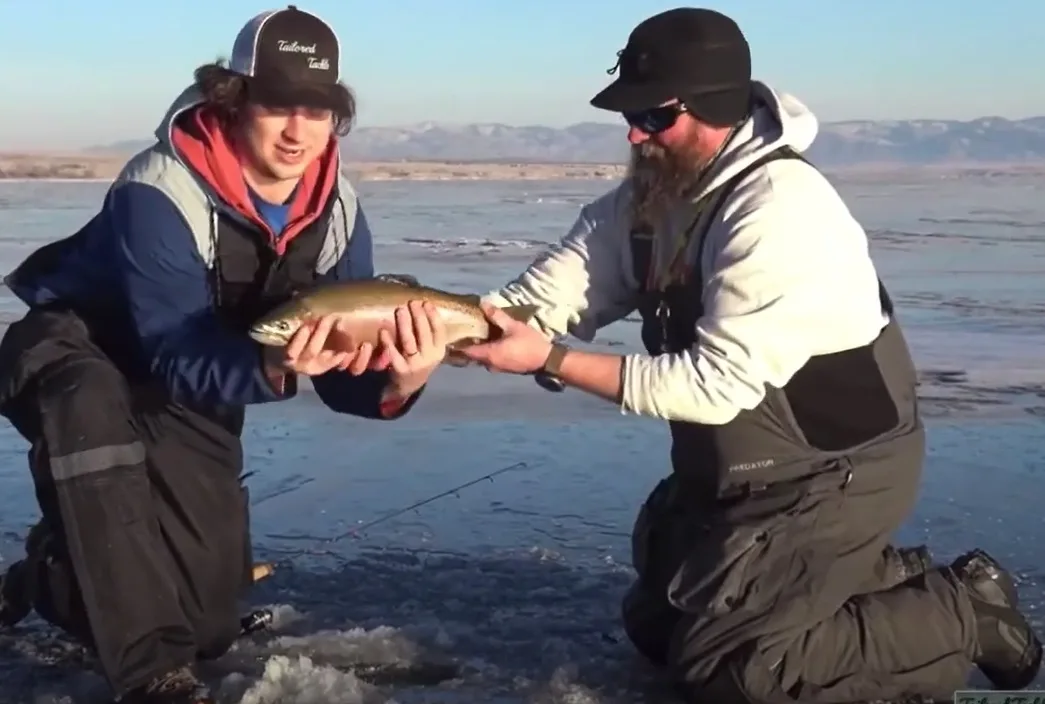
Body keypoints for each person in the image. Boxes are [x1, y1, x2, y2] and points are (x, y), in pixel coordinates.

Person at [459, 7, 1042, 703]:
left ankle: (960, 614)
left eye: (653, 116)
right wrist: (429, 335)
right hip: (732, 471)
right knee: (657, 630)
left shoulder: (779, 210)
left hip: (834, 471)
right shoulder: (640, 205)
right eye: (630, 114)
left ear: (712, 107)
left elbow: (713, 388)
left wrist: (548, 360)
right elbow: (533, 301)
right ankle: (861, 582)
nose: (633, 132)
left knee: (739, 674)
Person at [0, 6, 447, 703]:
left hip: (195, 378)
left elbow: (339, 378)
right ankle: (151, 678)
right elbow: (174, 345)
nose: (299, 130)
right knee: (95, 427)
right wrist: (272, 366)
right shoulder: (160, 189)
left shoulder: (339, 212)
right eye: (276, 105)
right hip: (72, 351)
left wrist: (403, 377)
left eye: (318, 109)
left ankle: (49, 576)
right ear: (231, 99)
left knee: (204, 626)